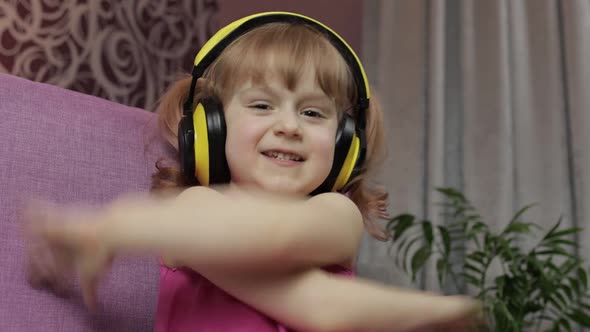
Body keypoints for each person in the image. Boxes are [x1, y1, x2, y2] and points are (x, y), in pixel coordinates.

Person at [24, 12, 482, 332]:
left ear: (344, 145)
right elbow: (316, 305)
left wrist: (115, 226)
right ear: (211, 127)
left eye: (313, 114)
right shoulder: (196, 206)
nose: (288, 126)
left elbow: (310, 287)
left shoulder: (335, 213)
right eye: (262, 105)